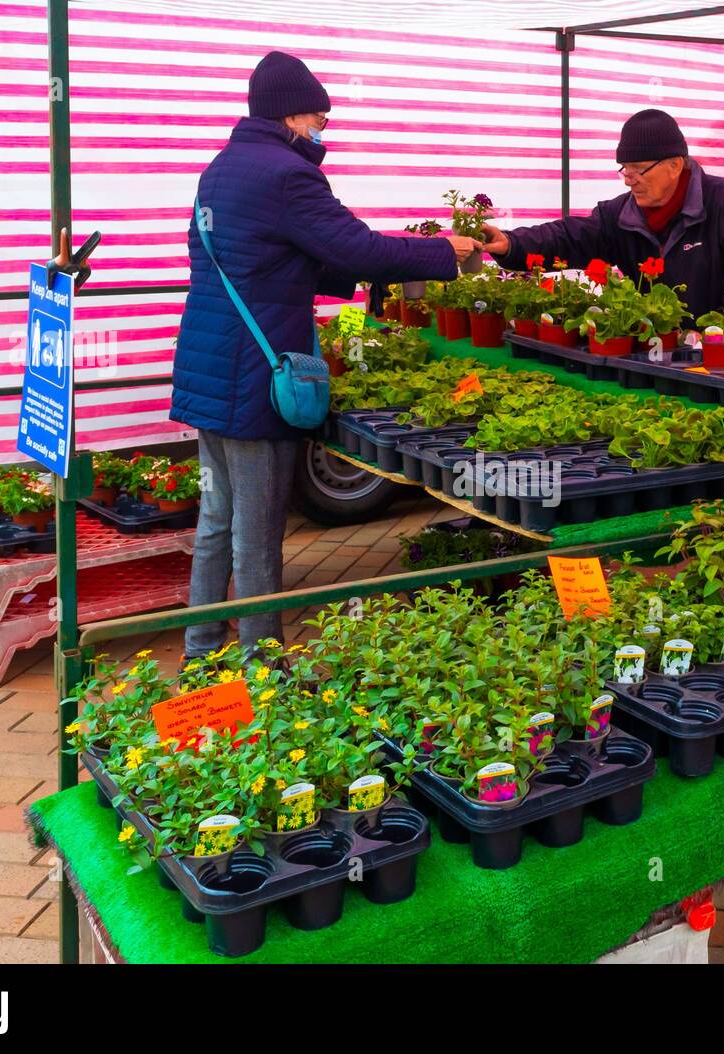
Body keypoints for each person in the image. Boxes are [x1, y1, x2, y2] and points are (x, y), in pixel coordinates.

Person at [171, 51, 481, 661]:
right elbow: (356, 247)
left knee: (217, 523)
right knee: (256, 537)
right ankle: (263, 667)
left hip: (208, 366)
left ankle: (201, 649)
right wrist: (445, 251)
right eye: (320, 119)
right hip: (253, 375)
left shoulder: (222, 167)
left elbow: (267, 255)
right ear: (292, 116)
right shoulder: (288, 174)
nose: (322, 132)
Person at [481, 109, 724, 316]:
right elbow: (570, 237)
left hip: (722, 361)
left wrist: (716, 336)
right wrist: (511, 244)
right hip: (653, 354)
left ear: (675, 165)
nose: (628, 178)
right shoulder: (621, 214)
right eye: (624, 169)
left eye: (639, 169)